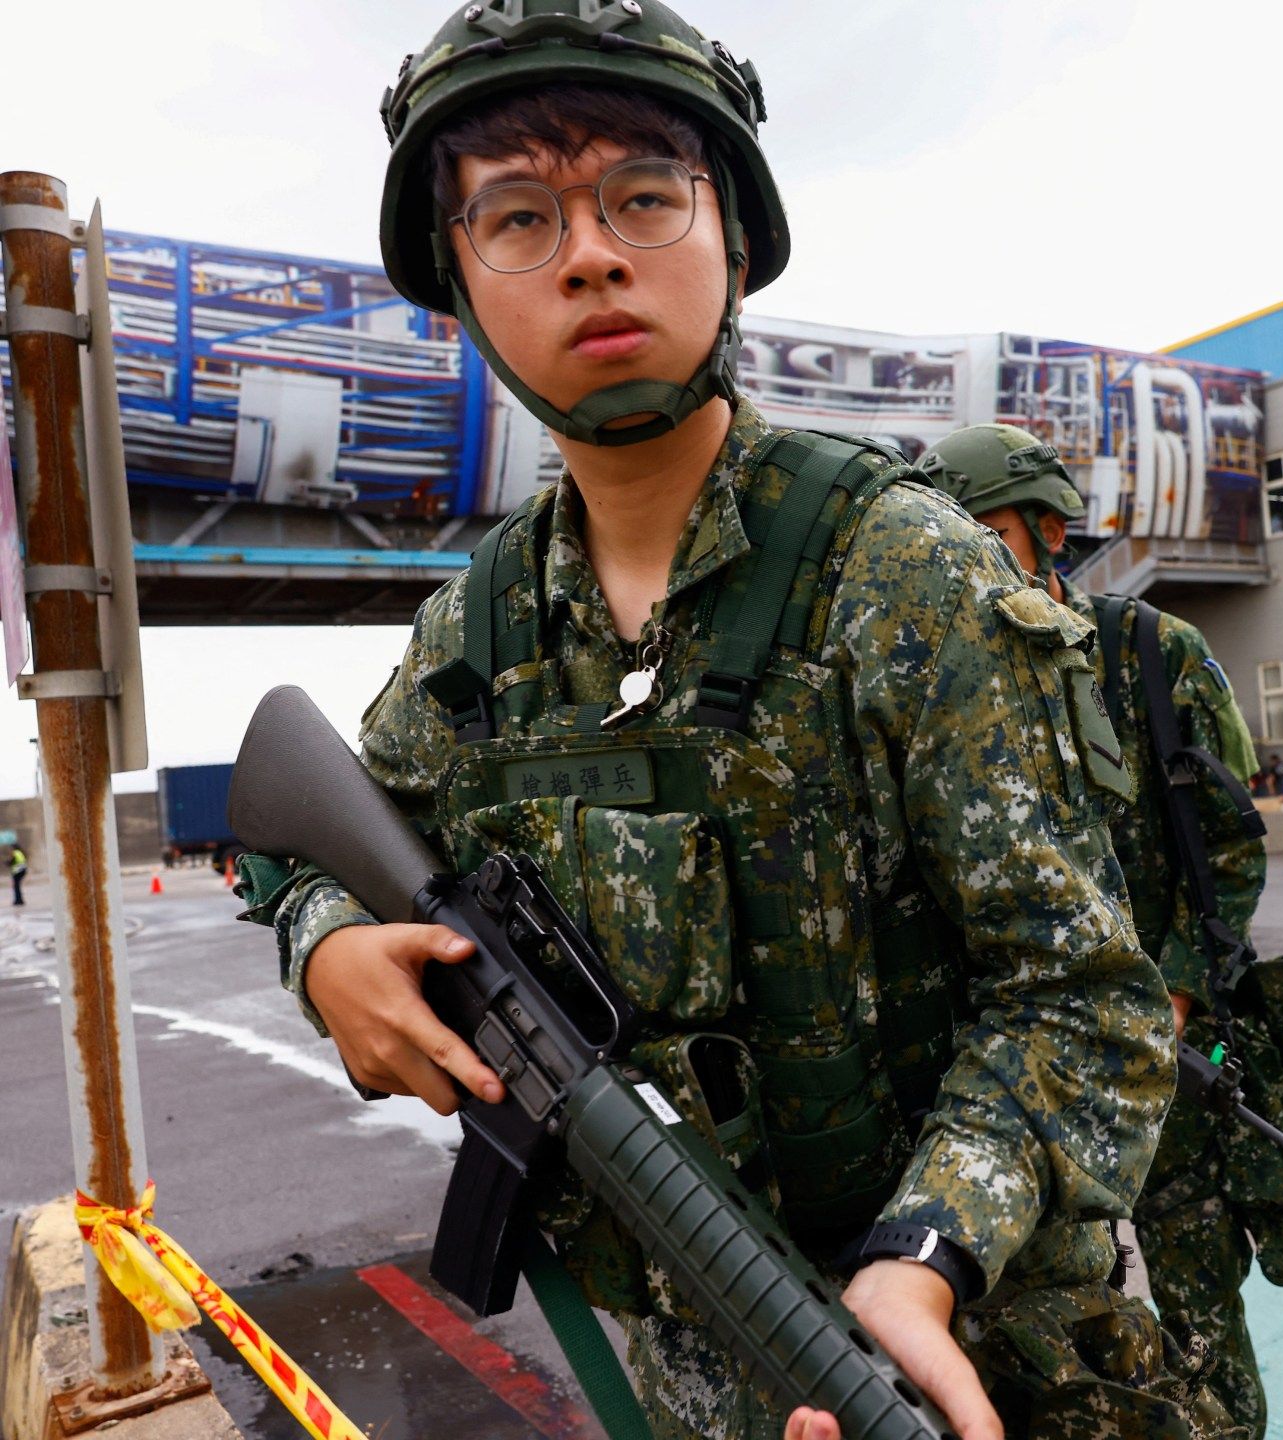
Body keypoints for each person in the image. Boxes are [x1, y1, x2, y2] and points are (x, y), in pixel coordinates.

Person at [234, 10, 1201, 1438]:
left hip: (967, 1366)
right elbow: (295, 851)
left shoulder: (903, 573)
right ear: (459, 288)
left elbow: (1083, 997)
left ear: (734, 240)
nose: (590, 254)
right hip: (679, 1383)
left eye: (642, 194)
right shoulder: (478, 632)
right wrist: (329, 957)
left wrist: (925, 1254)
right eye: (517, 218)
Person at [914, 423, 1283, 1438]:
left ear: (1046, 529)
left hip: (1172, 1051)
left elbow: (1232, 852)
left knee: (1201, 1329)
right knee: (1049, 1331)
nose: (957, 561)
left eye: (978, 533)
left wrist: (1175, 1001)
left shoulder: (1153, 654)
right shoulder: (940, 678)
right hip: (1017, 1073)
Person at [9, 842, 25, 906]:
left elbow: (12, 861)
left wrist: (7, 863)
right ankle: (20, 900)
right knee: (17, 886)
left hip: (17, 871)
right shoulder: (20, 852)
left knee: (16, 887)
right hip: (22, 870)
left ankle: (18, 900)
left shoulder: (15, 853)